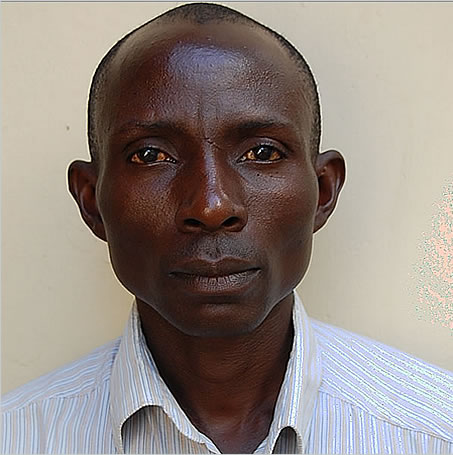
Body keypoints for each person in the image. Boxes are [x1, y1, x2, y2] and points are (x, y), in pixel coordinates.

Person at [2, 3, 452, 454]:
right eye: (151, 155)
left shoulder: (434, 432)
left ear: (323, 191)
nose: (211, 206)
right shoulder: (17, 437)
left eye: (262, 153)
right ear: (92, 201)